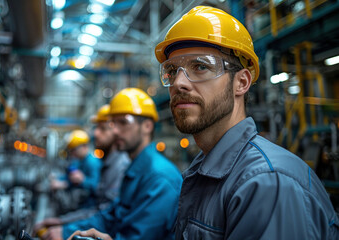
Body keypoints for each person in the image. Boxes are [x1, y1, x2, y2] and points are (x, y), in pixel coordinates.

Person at [154, 6, 339, 239]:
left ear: (241, 82)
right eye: (171, 70)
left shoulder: (267, 183)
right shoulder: (204, 171)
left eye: (200, 66)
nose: (178, 82)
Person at [41, 88, 183, 240]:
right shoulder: (135, 169)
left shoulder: (159, 179)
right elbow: (110, 216)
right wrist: (65, 231)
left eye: (123, 122)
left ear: (147, 126)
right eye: (113, 124)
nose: (115, 131)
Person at [34, 105, 130, 230]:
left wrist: (66, 229)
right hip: (89, 213)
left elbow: (104, 209)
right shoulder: (91, 162)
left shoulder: (100, 163)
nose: (95, 133)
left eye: (103, 129)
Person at [51, 129, 102, 215]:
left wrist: (83, 180)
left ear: (84, 147)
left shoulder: (92, 162)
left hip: (91, 208)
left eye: (74, 150)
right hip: (80, 204)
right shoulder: (78, 161)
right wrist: (59, 180)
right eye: (71, 150)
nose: (72, 153)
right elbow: (70, 176)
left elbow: (97, 187)